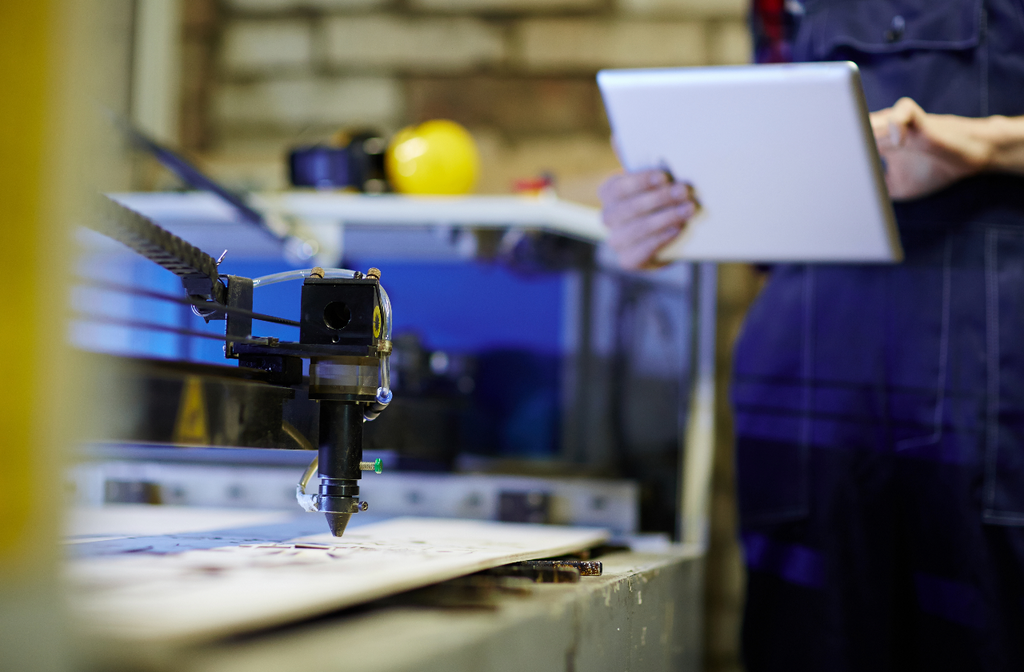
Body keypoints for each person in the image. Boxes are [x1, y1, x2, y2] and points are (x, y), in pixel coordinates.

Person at [598, 0, 1024, 669]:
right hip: (806, 390)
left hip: (988, 382)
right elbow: (771, 209)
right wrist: (662, 214)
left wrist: (990, 144)